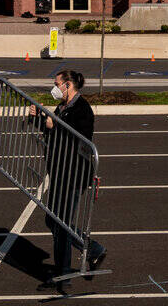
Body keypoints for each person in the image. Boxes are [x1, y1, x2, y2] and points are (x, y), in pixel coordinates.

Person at [29, 70, 107, 291]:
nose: (54, 87)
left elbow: (81, 139)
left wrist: (57, 127)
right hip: (60, 173)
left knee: (60, 223)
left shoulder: (82, 110)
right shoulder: (62, 107)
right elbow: (51, 131)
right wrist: (38, 118)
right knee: (52, 221)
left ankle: (64, 273)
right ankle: (92, 248)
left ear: (68, 85)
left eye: (57, 84)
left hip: (73, 174)